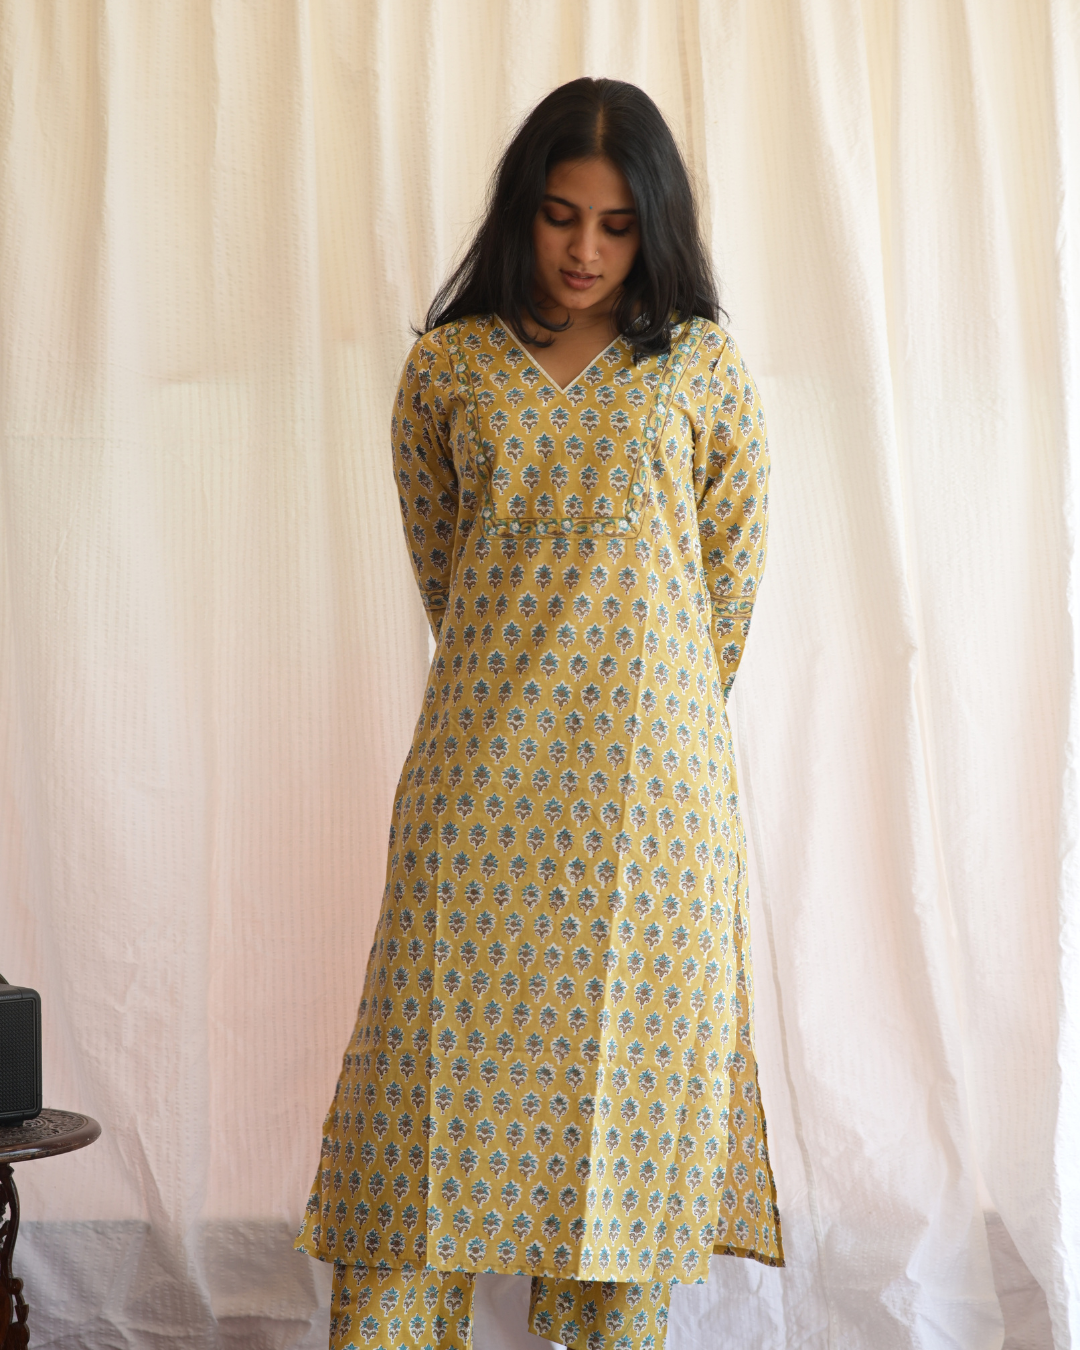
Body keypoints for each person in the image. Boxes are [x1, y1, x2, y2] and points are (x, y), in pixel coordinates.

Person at [295, 76, 782, 1350]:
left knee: (632, 1138)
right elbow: (451, 576)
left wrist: (641, 703)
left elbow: (724, 592)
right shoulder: (449, 368)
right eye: (562, 216)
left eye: (617, 225)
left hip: (652, 814)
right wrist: (529, 674)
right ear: (523, 209)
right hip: (478, 800)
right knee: (415, 1134)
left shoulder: (698, 369)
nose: (584, 251)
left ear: (656, 228)